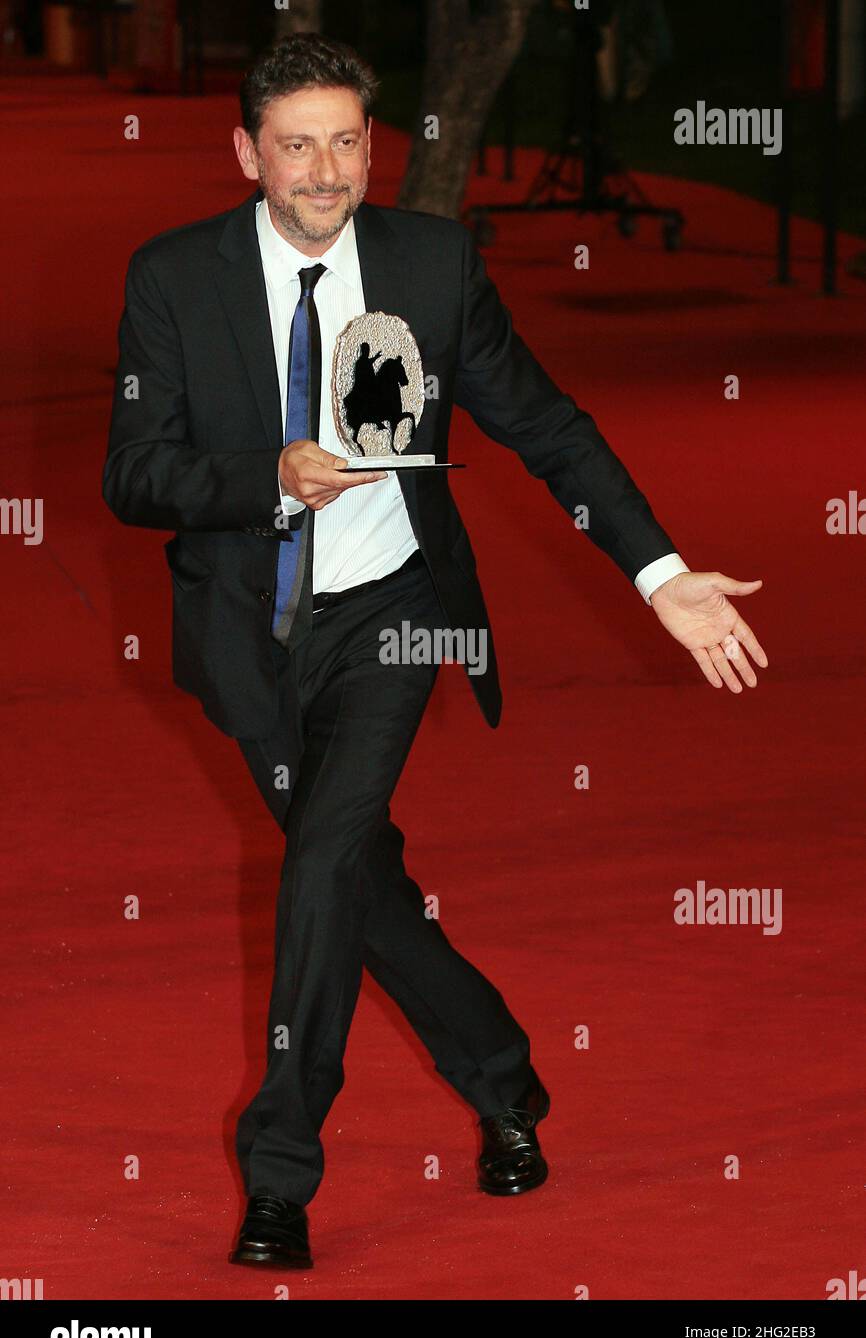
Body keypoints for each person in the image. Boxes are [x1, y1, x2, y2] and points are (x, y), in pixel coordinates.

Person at [102, 32, 768, 1271]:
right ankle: (507, 1081)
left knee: (320, 862)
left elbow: (551, 430)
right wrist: (270, 479)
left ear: (372, 144)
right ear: (247, 152)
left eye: (346, 141)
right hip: (250, 628)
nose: (324, 170)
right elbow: (132, 473)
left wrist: (659, 574)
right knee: (357, 885)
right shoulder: (174, 278)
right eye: (295, 145)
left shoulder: (429, 264)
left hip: (391, 613)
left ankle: (280, 1175)